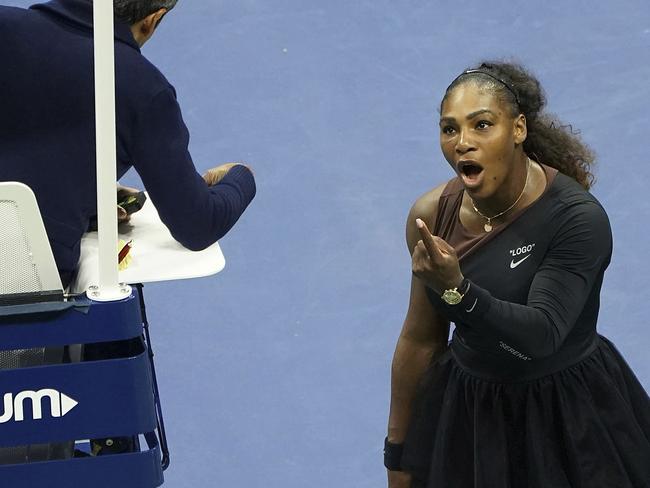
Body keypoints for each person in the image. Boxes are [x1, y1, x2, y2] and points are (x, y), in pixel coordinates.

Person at [385, 61, 650, 487]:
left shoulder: (577, 219)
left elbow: (541, 335)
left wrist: (456, 289)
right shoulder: (431, 215)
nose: (463, 143)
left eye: (482, 125)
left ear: (518, 129)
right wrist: (397, 457)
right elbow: (420, 339)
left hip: (568, 417)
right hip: (471, 416)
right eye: (449, 129)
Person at [0, 0, 256, 287]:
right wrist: (241, 178)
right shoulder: (142, 88)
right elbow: (197, 225)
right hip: (20, 278)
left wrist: (83, 199)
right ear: (152, 20)